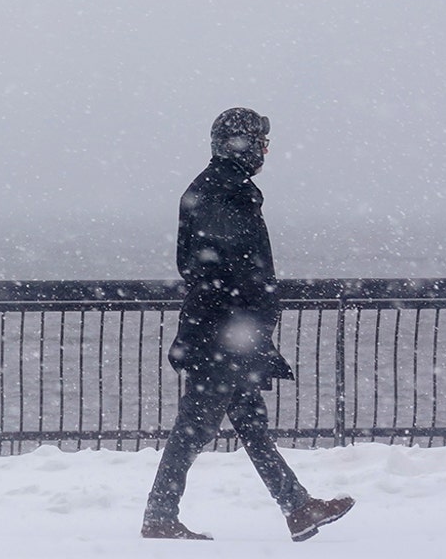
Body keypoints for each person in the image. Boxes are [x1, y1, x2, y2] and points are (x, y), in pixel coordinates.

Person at [141, 108, 355, 542]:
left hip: (221, 332)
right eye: (261, 142)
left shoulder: (220, 187)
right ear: (243, 144)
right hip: (223, 335)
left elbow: (208, 268)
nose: (265, 151)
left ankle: (297, 508)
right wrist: (249, 319)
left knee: (246, 422)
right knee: (196, 426)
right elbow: (233, 270)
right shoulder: (225, 190)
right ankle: (160, 515)